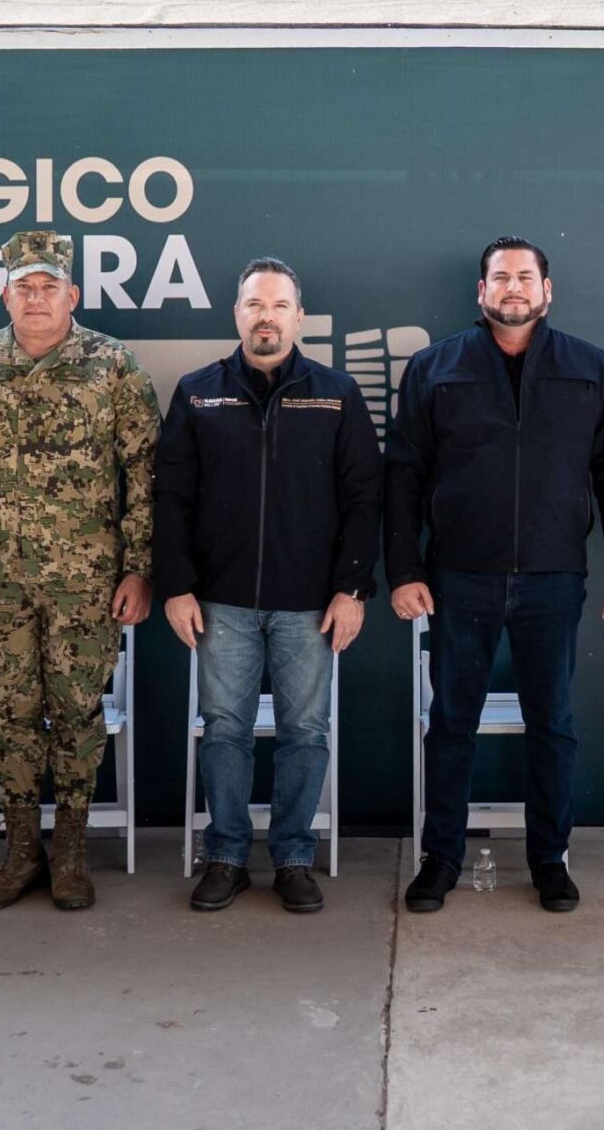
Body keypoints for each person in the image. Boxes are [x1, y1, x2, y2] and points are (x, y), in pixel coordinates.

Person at [386, 236, 604, 915]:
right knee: (451, 724)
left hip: (554, 579)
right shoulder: (435, 367)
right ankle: (441, 857)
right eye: (501, 278)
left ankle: (549, 860)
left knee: (552, 724)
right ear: (481, 292)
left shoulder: (589, 367)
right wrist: (404, 570)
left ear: (547, 290)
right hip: (458, 578)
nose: (513, 289)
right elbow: (402, 478)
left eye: (526, 277)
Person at [0, 230, 157, 912]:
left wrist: (139, 568)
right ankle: (22, 851)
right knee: (9, 714)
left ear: (72, 294)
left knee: (79, 714)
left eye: (47, 286)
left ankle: (71, 854)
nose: (35, 298)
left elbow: (142, 476)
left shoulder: (113, 367)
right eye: (22, 287)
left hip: (86, 582)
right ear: (4, 294)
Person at [155, 258, 381, 914]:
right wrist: (176, 586)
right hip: (219, 601)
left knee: (305, 732)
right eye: (255, 305)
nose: (266, 316)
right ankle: (225, 855)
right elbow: (170, 496)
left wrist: (354, 589)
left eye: (279, 306)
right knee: (223, 730)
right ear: (237, 315)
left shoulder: (335, 392)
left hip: (310, 604)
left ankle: (292, 857)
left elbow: (364, 495)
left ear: (298, 317)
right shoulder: (199, 392)